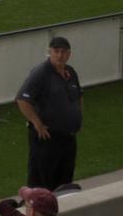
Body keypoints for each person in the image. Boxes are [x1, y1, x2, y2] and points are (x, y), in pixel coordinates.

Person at [16, 35, 82, 188]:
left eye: (63, 52)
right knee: (43, 183)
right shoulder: (41, 73)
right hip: (47, 139)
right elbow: (22, 99)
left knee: (64, 181)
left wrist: (78, 118)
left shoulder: (70, 72)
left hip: (68, 139)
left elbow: (79, 95)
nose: (60, 55)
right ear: (50, 52)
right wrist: (37, 123)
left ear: (69, 54)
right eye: (56, 51)